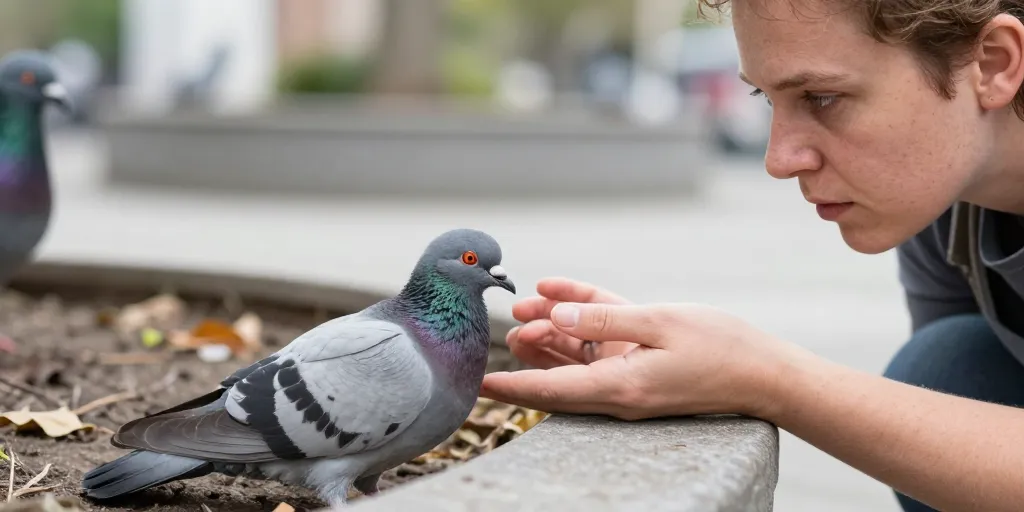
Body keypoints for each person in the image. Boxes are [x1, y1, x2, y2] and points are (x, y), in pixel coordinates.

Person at [479, 1, 1024, 512]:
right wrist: (677, 367)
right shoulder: (948, 201)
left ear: (993, 64)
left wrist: (765, 378)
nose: (778, 160)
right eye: (767, 98)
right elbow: (957, 420)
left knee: (938, 368)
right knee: (950, 367)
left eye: (822, 97)